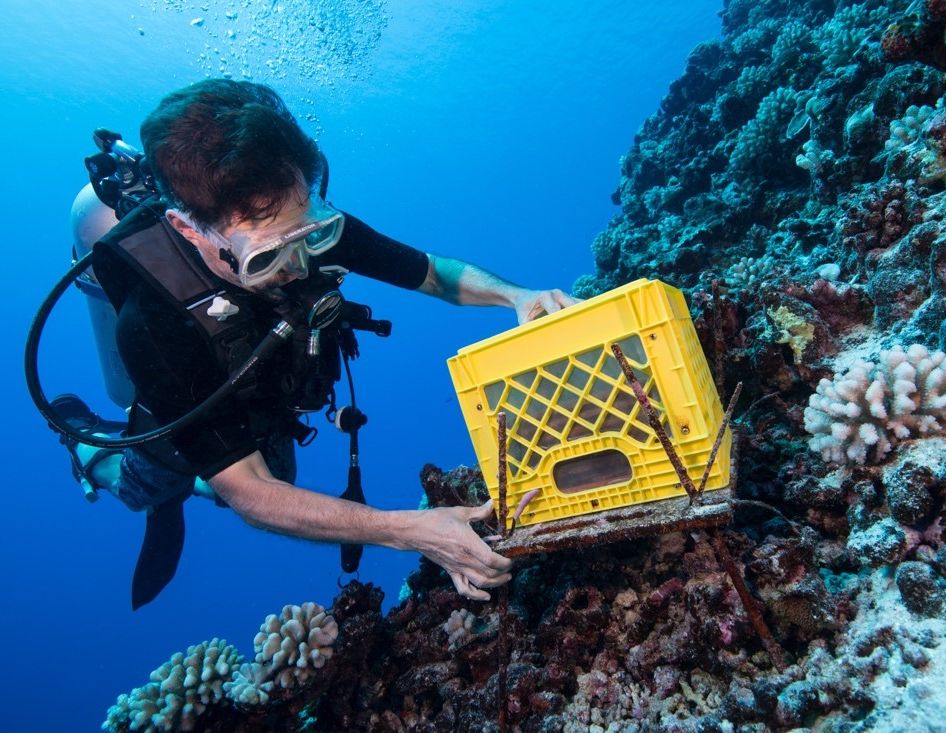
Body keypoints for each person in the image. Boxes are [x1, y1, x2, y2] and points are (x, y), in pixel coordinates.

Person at [67, 78, 578, 608]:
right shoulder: (152, 323)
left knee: (279, 476)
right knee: (148, 486)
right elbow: (252, 496)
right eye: (265, 258)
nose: (298, 265)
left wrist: (517, 296)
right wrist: (410, 529)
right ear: (191, 231)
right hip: (180, 398)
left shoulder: (300, 220)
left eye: (312, 234)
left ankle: (208, 473)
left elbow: (432, 274)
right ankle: (86, 446)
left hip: (263, 397)